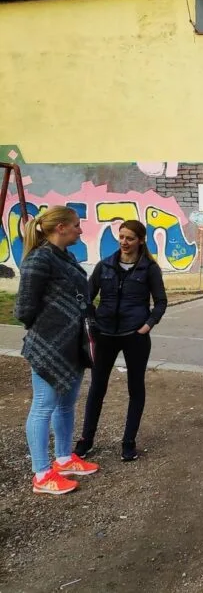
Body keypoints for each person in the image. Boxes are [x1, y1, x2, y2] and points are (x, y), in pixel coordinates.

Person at [15, 206, 99, 495]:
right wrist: (50, 326)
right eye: (76, 225)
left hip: (73, 344)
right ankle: (41, 474)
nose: (80, 229)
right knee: (43, 406)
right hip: (49, 346)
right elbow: (23, 308)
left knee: (66, 404)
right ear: (60, 227)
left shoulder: (65, 256)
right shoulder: (38, 259)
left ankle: (63, 459)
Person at [74, 220, 167, 462]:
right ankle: (86, 440)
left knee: (135, 388)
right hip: (104, 335)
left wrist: (148, 325)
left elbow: (161, 301)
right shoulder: (105, 265)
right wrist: (92, 322)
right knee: (97, 387)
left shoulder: (149, 268)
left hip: (135, 336)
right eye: (122, 237)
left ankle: (128, 442)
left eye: (130, 238)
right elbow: (86, 297)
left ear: (141, 241)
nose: (124, 242)